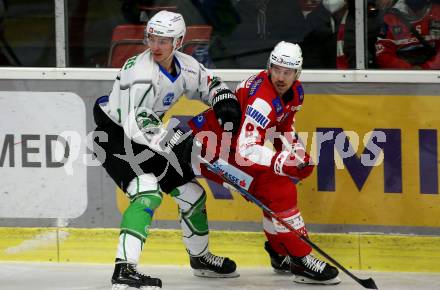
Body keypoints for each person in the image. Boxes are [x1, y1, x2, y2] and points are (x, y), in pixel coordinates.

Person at [92, 10, 241, 289]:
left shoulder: (185, 65)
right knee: (146, 191)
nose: (156, 46)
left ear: (179, 41)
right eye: (152, 38)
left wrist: (223, 100)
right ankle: (124, 271)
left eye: (164, 40)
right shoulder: (140, 73)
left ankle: (200, 258)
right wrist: (175, 142)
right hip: (115, 136)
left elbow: (209, 83)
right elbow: (134, 121)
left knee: (192, 194)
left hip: (149, 137)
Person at [187, 41, 341, 285]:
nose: (281, 77)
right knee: (279, 188)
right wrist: (283, 161)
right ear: (269, 67)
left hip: (229, 147)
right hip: (210, 151)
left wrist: (298, 154)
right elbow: (247, 149)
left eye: (287, 72)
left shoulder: (295, 93)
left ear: (297, 73)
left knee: (275, 190)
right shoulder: (262, 100)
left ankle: (281, 251)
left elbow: (283, 127)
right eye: (277, 69)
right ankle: (300, 259)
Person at [375, 0, 440, 69]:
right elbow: (383, 54)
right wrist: (408, 70)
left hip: (433, 74)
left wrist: (425, 68)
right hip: (402, 75)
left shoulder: (437, 12)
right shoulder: (391, 17)